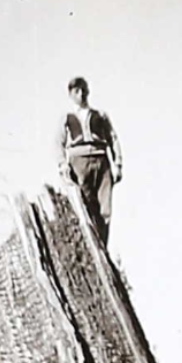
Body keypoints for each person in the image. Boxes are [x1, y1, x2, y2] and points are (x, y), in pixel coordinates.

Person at [56, 77, 122, 246]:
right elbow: (58, 142)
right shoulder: (67, 117)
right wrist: (63, 164)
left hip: (101, 161)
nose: (81, 94)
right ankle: (93, 247)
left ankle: (103, 246)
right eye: (76, 91)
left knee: (105, 209)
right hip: (79, 163)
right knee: (86, 205)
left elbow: (113, 138)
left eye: (83, 89)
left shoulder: (100, 115)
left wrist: (117, 164)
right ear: (71, 94)